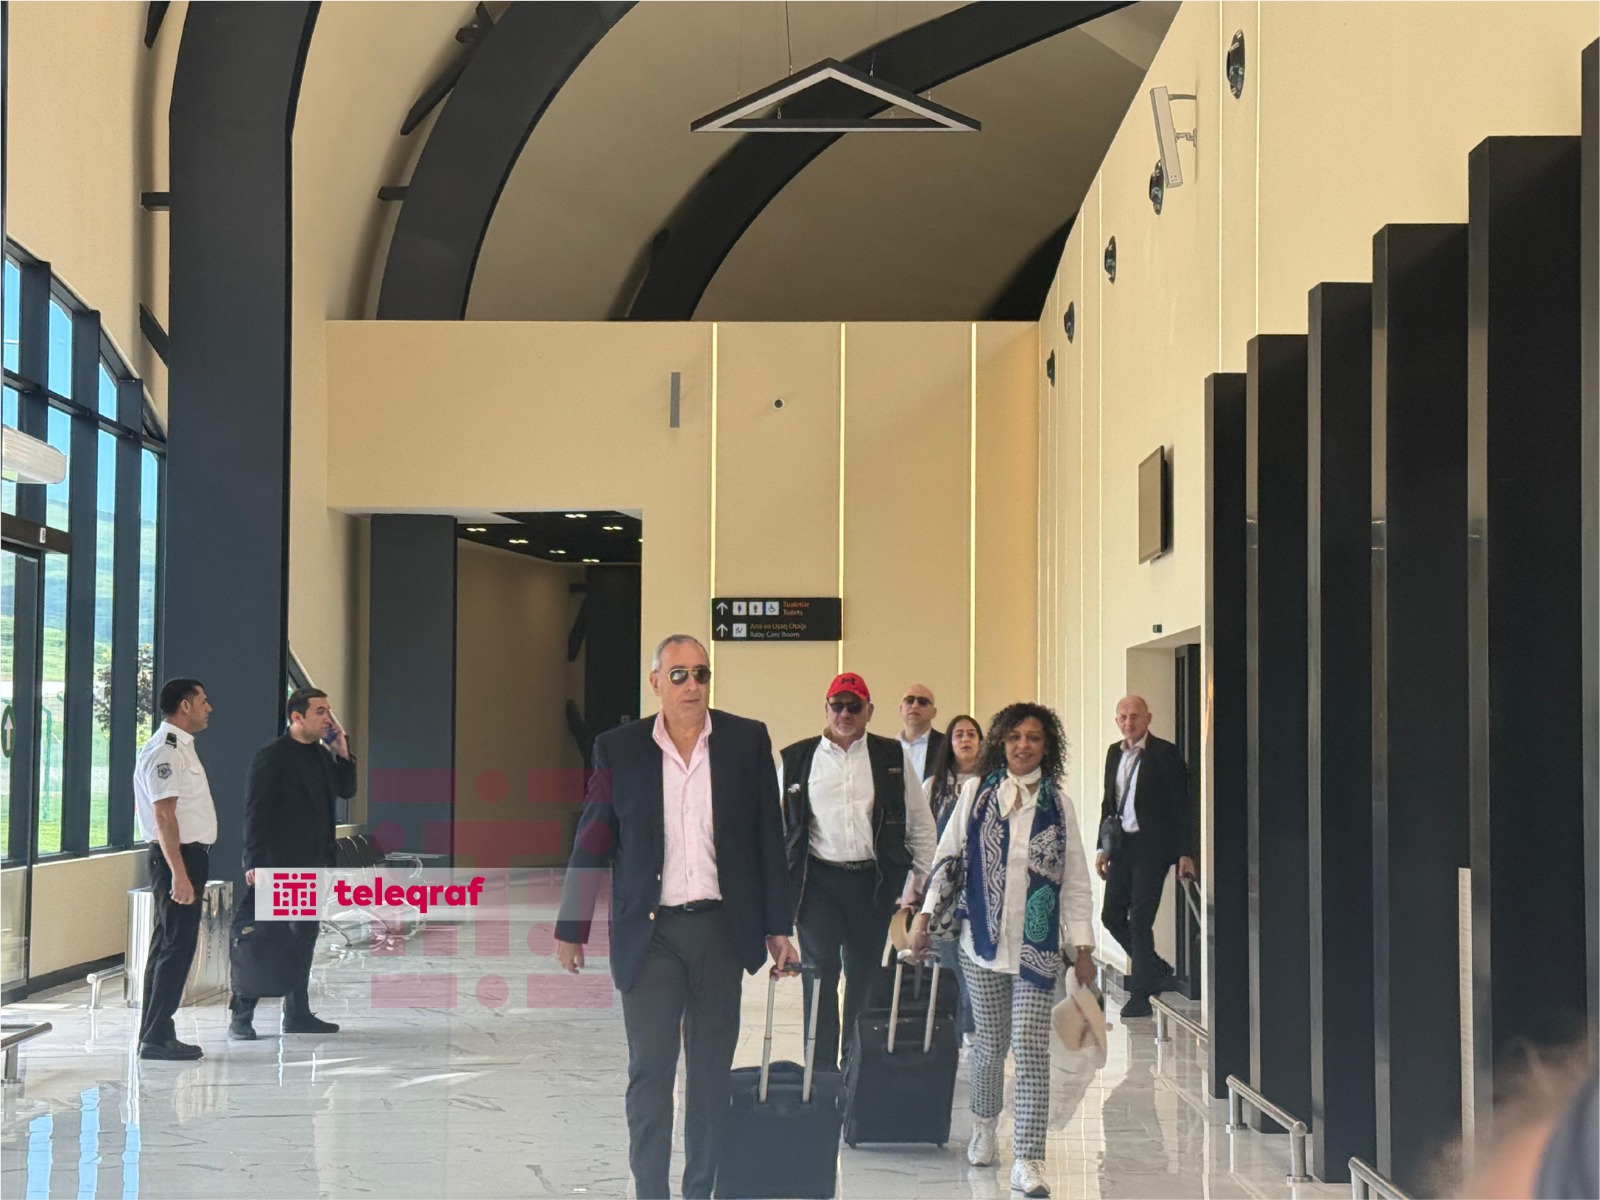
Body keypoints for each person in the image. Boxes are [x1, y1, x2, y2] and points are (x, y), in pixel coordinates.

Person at [555, 635, 797, 1200]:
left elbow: (769, 837)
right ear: (656, 682)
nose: (692, 685)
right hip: (651, 934)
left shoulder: (746, 741)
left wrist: (777, 925)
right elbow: (593, 837)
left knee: (710, 1078)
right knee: (650, 1073)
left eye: (701, 673)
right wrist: (572, 926)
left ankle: (699, 1190)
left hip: (719, 931)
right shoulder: (618, 749)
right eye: (680, 674)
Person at [910, 703, 1095, 1200]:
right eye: (1014, 737)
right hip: (981, 944)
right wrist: (924, 917)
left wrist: (1083, 946)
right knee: (990, 1045)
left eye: (1033, 737)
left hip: (1038, 948)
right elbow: (947, 858)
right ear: (1001, 743)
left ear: (1047, 747)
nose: (1023, 746)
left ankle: (1029, 1158)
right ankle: (985, 1125)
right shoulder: (976, 794)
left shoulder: (1059, 806)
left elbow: (1076, 880)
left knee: (1031, 1047)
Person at [780, 671, 938, 1070]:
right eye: (838, 706)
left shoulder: (891, 757)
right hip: (817, 882)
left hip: (873, 882)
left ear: (869, 711)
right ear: (826, 708)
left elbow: (920, 825)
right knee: (819, 973)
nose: (845, 714)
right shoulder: (798, 759)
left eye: (854, 706)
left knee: (864, 976)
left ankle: (856, 1068)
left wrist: (922, 886)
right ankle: (820, 1072)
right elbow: (776, 830)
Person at [229, 687, 357, 1040]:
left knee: (303, 939)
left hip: (314, 862)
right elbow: (256, 812)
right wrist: (254, 861)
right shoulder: (272, 756)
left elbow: (346, 791)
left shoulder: (322, 755)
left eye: (328, 710)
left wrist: (342, 752)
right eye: (320, 711)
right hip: (278, 863)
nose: (327, 718)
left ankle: (297, 1013)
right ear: (296, 717)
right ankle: (241, 1016)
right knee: (263, 939)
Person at [1093, 694, 1196, 1018]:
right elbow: (1108, 803)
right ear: (1117, 721)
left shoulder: (1165, 753)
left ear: (1148, 718)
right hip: (1122, 847)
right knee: (1111, 916)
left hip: (1153, 849)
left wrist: (1185, 852)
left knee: (1140, 919)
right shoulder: (1114, 753)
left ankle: (1141, 994)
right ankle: (1153, 968)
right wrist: (1102, 847)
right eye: (1123, 717)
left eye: (1135, 716)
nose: (1129, 722)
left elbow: (1181, 804)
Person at [133, 678, 219, 1061]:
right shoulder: (165, 751)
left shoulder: (180, 747)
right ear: (185, 706)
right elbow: (164, 816)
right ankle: (156, 1036)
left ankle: (155, 1030)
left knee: (169, 943)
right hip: (177, 857)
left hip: (185, 856)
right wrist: (179, 874)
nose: (208, 708)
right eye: (203, 701)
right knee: (176, 946)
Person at [923, 713, 985, 1041]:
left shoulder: (991, 784)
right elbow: (921, 838)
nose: (965, 739)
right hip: (942, 887)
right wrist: (914, 890)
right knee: (944, 960)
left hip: (979, 886)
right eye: (958, 734)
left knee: (974, 961)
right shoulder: (932, 787)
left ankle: (973, 1028)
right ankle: (948, 1031)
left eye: (971, 733)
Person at [898, 683, 944, 781]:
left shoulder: (946, 744)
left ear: (934, 712)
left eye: (922, 702)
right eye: (909, 701)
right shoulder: (888, 748)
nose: (914, 706)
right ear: (901, 708)